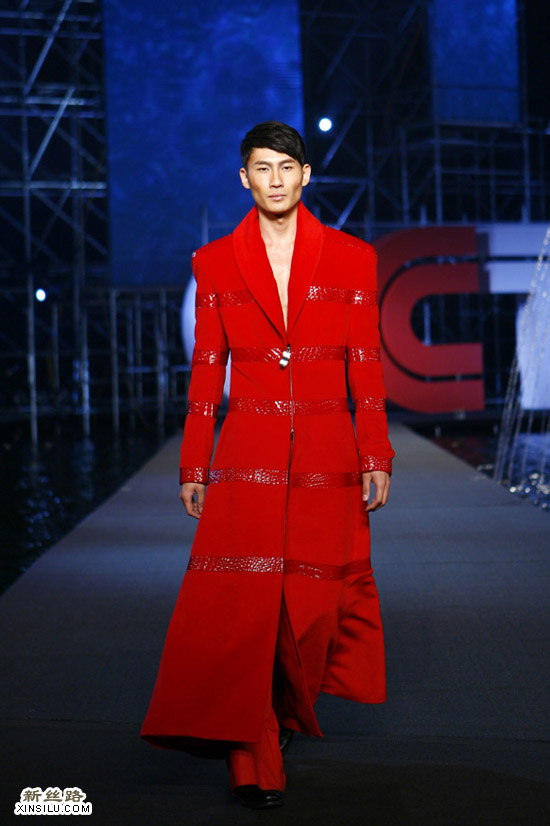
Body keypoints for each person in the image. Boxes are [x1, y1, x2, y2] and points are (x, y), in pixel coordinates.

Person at [140, 120, 394, 810]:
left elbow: (366, 365)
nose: (275, 179)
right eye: (262, 167)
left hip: (327, 454)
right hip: (246, 456)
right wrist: (194, 465)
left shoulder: (352, 259)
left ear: (305, 175)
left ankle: (282, 710)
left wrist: (376, 452)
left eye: (286, 167)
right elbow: (205, 372)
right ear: (243, 178)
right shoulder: (216, 262)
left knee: (313, 608)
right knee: (246, 608)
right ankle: (254, 759)